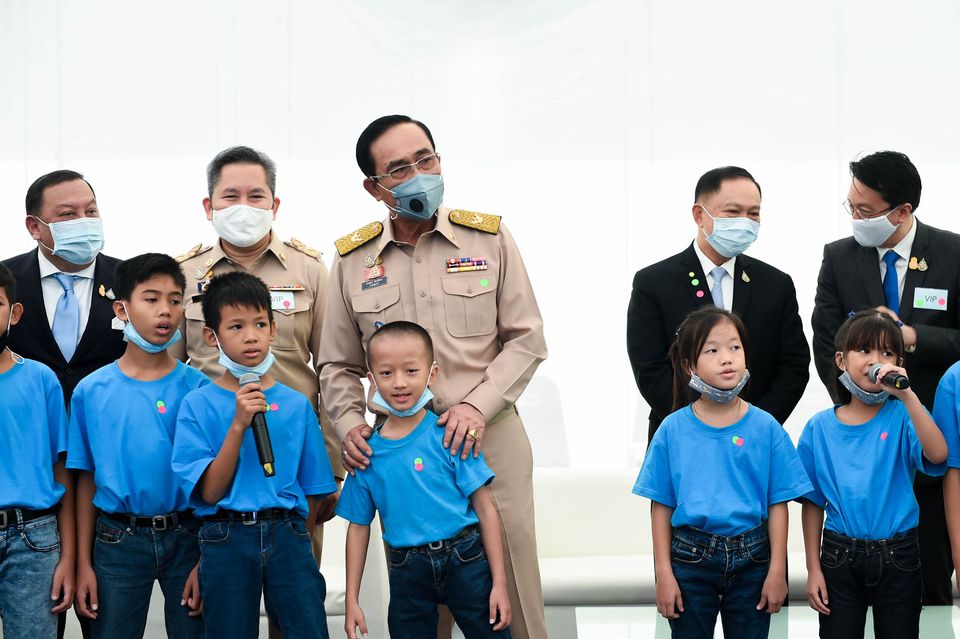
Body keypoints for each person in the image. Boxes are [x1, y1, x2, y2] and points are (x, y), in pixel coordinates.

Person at [318, 114, 548, 639]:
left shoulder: (487, 238)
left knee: (512, 596)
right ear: (374, 188)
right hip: (400, 449)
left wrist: (476, 406)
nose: (419, 173)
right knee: (422, 600)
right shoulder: (353, 260)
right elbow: (336, 362)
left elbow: (527, 338)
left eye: (426, 158)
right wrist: (352, 423)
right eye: (399, 169)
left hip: (488, 437)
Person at [172, 147, 342, 565]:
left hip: (293, 463)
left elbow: (334, 369)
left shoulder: (310, 270)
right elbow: (171, 374)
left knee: (295, 601)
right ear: (209, 206)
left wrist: (332, 470)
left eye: (256, 196)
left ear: (275, 204)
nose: (243, 207)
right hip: (216, 466)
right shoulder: (184, 274)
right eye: (231, 196)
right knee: (225, 604)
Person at [811, 151, 960, 604]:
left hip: (933, 434)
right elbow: (824, 344)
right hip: (867, 447)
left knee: (927, 588)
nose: (856, 218)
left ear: (903, 211)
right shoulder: (839, 257)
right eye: (851, 206)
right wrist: (860, 408)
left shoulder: (953, 252)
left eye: (867, 211)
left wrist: (912, 338)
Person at [172, 271, 338, 639]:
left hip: (288, 534)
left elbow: (313, 488)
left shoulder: (296, 405)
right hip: (226, 536)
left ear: (274, 330)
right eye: (236, 327)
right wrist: (238, 425)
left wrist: (300, 540)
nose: (251, 336)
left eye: (260, 324)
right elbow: (210, 493)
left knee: (306, 628)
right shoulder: (197, 405)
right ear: (211, 337)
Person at [633, 306, 812, 639]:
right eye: (712, 350)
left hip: (754, 559)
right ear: (689, 365)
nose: (727, 358)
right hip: (689, 558)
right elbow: (661, 506)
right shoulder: (672, 429)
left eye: (735, 347)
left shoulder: (765, 426)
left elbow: (778, 504)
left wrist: (777, 571)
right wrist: (664, 575)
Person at [2, 169, 125, 638]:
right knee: (38, 617)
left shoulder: (128, 282)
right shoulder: (7, 283)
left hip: (106, 478)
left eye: (90, 211)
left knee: (106, 614)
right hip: (33, 479)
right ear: (35, 227)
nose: (83, 221)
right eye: (67, 214)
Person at [337, 321, 512, 638]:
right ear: (372, 379)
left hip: (466, 560)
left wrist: (499, 583)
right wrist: (352, 599)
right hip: (408, 571)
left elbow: (485, 510)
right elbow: (358, 527)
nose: (399, 383)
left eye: (411, 371)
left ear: (431, 374)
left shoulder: (451, 436)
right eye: (387, 373)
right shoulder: (366, 454)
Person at [67, 253, 208, 638]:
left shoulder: (199, 389)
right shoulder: (91, 391)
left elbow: (214, 480)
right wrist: (83, 564)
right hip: (117, 541)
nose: (165, 311)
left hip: (189, 538)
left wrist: (207, 559)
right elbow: (85, 480)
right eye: (151, 299)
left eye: (175, 300)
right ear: (122, 308)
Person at [627, 166, 809, 442]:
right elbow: (649, 367)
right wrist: (700, 423)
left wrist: (753, 424)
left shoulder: (775, 284)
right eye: (733, 212)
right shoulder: (654, 282)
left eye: (754, 213)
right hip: (681, 437)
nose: (745, 221)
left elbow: (793, 366)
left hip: (755, 440)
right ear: (700, 215)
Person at [800, 310, 948, 638]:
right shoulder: (819, 428)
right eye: (864, 350)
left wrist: (907, 395)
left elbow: (938, 454)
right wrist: (813, 569)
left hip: (899, 554)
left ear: (898, 362)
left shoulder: (904, 415)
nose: (875, 360)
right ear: (841, 360)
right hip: (839, 554)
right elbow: (812, 504)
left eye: (886, 352)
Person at [0, 262, 75, 638]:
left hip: (32, 538)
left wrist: (68, 558)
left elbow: (60, 471)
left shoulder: (40, 379)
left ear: (14, 313)